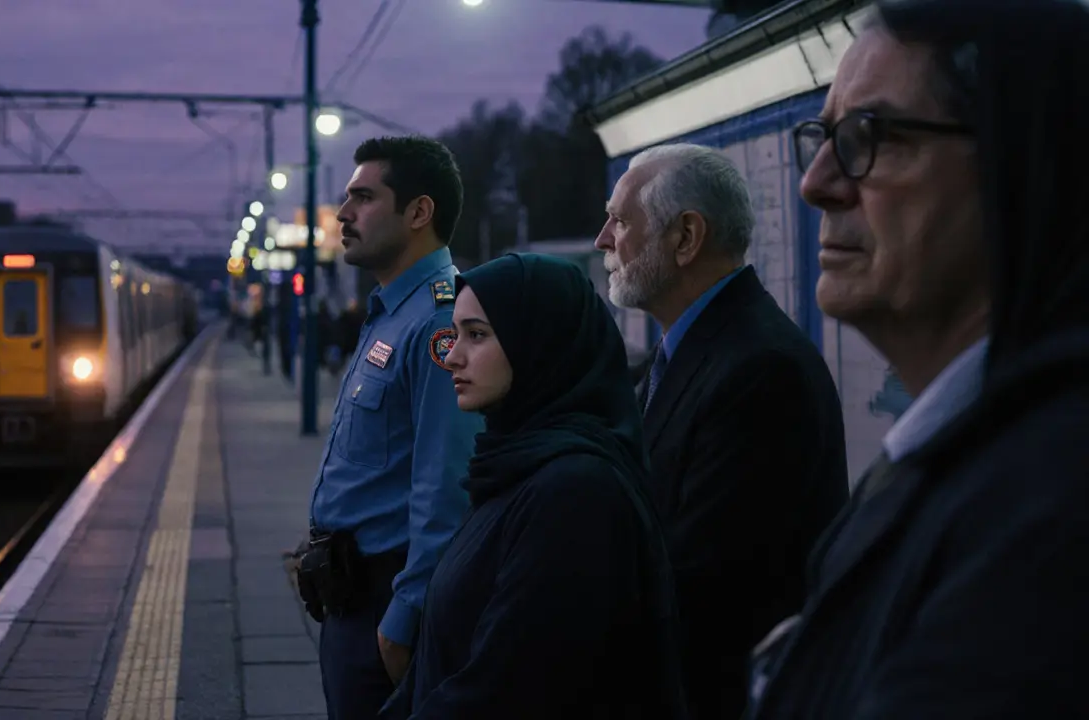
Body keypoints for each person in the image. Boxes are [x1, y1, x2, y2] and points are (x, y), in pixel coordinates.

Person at [747, 0, 1089, 716]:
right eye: (826, 135)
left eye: (869, 136)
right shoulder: (963, 453)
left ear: (1023, 162)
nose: (817, 183)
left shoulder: (1046, 520)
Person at [595, 142, 849, 720]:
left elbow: (705, 591)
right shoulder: (694, 353)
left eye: (620, 220)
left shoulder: (761, 371)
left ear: (686, 237)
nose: (603, 240)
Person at [380, 252, 687, 719]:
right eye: (456, 334)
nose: (453, 357)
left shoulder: (575, 493)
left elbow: (508, 687)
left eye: (477, 335)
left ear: (539, 342)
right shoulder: (511, 463)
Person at [294, 135, 483, 719]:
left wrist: (404, 622)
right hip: (348, 592)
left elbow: (445, 485)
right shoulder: (391, 312)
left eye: (363, 198)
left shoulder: (437, 323)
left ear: (418, 212)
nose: (343, 214)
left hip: (385, 604)